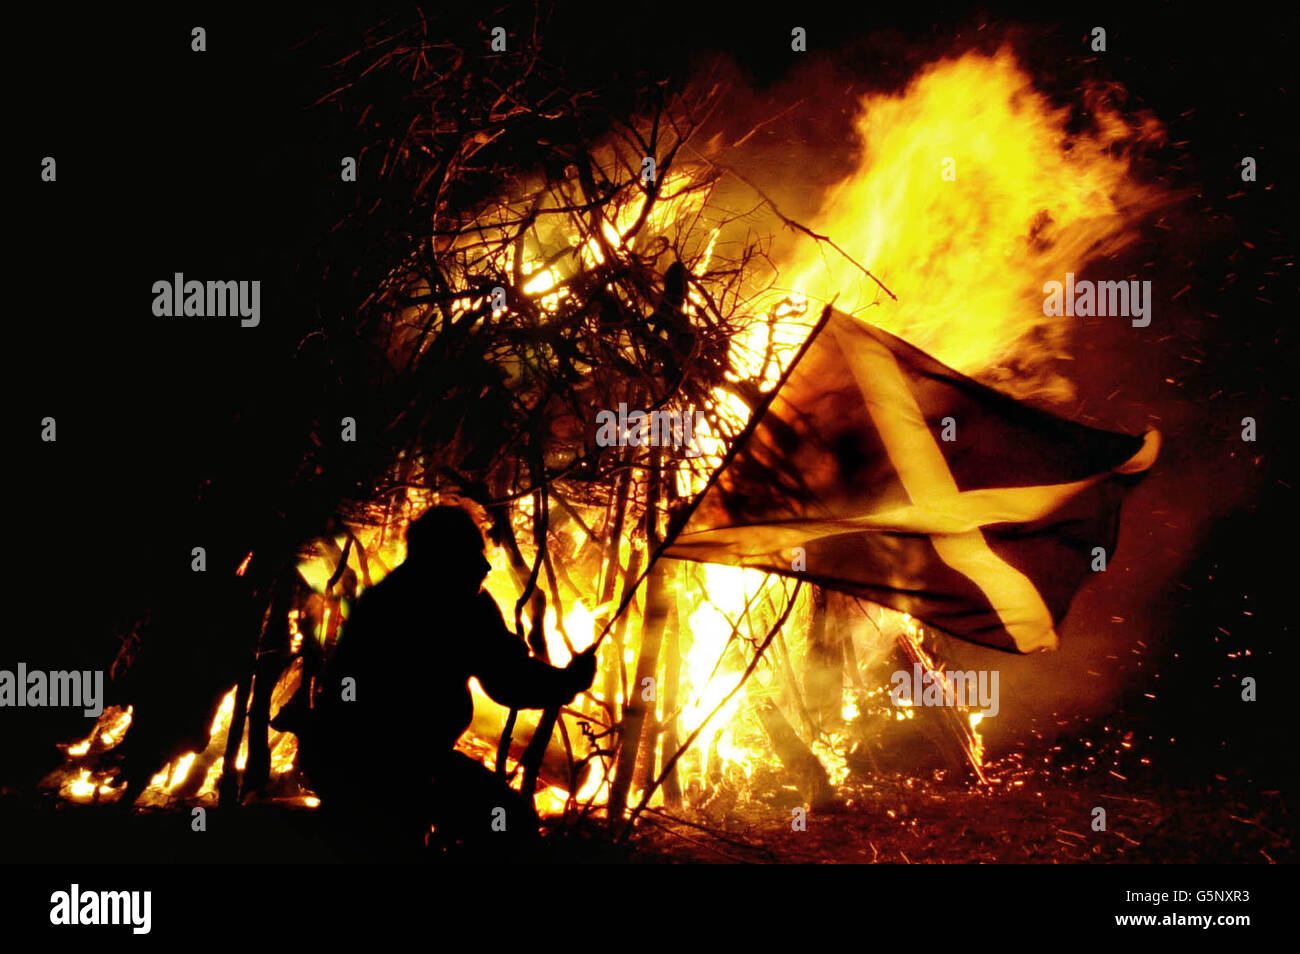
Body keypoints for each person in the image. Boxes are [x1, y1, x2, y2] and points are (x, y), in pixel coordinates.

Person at [291, 506, 596, 859]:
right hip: (375, 764)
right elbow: (510, 680)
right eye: (472, 555)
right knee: (503, 824)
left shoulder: (404, 599)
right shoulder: (438, 606)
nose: (484, 567)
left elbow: (507, 674)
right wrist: (568, 682)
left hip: (387, 761)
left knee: (501, 821)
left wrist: (563, 681)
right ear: (443, 558)